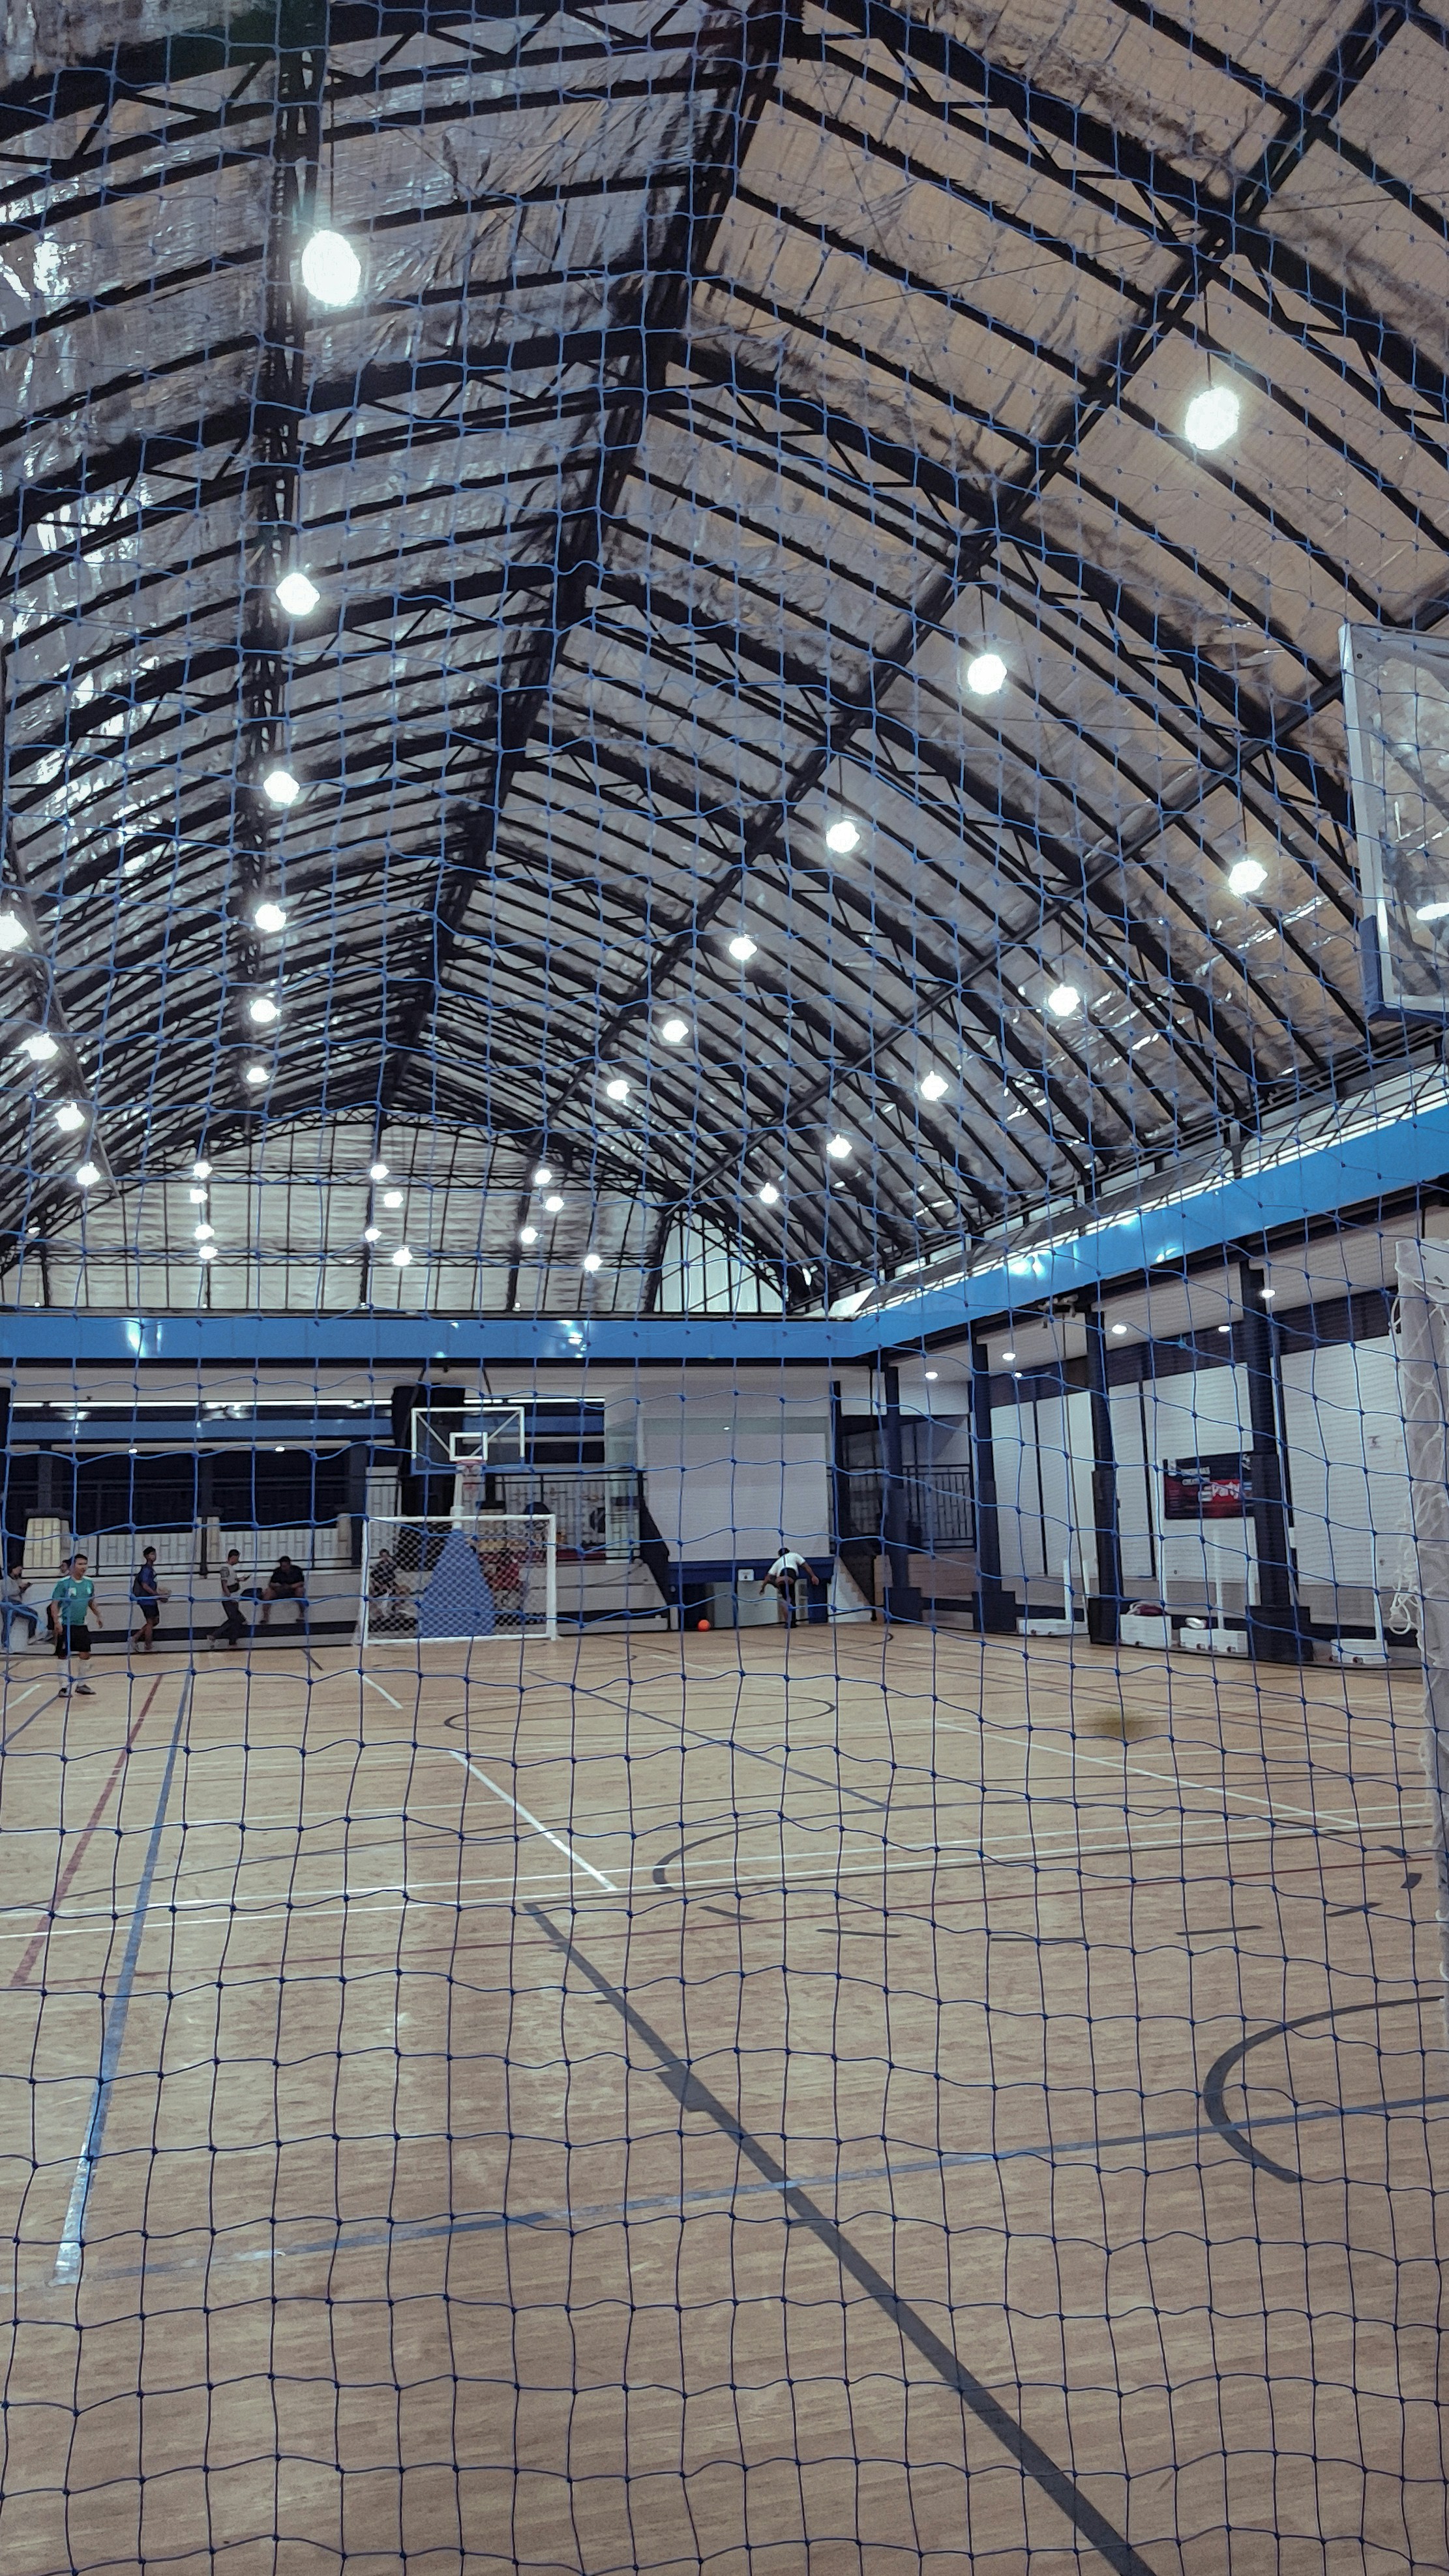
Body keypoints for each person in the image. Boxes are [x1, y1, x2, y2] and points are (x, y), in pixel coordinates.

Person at [48, 1552, 102, 1694]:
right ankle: (64, 1687)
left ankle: (81, 1684)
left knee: (85, 1653)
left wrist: (98, 1615)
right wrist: (56, 1622)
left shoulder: (89, 1583)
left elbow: (91, 1601)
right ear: (72, 1566)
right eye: (80, 1564)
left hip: (81, 1624)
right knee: (63, 1653)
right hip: (65, 1624)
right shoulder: (63, 1584)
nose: (83, 1567)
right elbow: (55, 1604)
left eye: (85, 1564)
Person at [762, 1548, 825, 1626]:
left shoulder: (778, 1561)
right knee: (791, 1598)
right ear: (788, 1552)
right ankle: (792, 1622)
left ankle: (788, 1623)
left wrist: (762, 1588)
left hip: (781, 1576)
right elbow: (805, 1566)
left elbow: (768, 1577)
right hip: (789, 1572)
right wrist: (813, 1576)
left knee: (787, 1601)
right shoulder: (794, 1555)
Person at [130, 1546, 169, 1653]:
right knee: (150, 1622)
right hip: (146, 1600)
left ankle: (135, 1637)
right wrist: (156, 1594)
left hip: (151, 1600)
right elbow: (145, 1585)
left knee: (155, 1621)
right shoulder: (146, 1570)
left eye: (155, 1554)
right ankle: (148, 1645)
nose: (154, 1556)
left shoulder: (151, 1570)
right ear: (147, 1556)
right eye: (152, 1554)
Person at [259, 1552, 306, 1629]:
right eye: (282, 1566)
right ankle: (265, 1617)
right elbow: (271, 1584)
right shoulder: (277, 1571)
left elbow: (301, 1583)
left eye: (285, 1566)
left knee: (300, 1591)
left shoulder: (297, 1570)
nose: (283, 1568)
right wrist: (278, 1586)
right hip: (279, 1591)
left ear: (289, 1565)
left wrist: (290, 1586)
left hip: (293, 1591)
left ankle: (302, 1614)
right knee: (267, 1593)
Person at [211, 1549, 246, 1652]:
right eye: (237, 1558)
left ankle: (232, 1642)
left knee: (236, 1620)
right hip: (229, 1599)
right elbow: (224, 1584)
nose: (238, 1561)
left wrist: (240, 1580)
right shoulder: (225, 1568)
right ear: (233, 1557)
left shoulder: (230, 1569)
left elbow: (231, 1580)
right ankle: (215, 1635)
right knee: (235, 1619)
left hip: (233, 1597)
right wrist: (229, 1597)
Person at [1, 1559, 38, 1651]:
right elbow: (8, 1592)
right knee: (8, 1623)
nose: (19, 1572)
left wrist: (24, 1588)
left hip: (15, 1603)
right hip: (9, 1603)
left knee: (33, 1614)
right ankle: (5, 1643)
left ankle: (31, 1637)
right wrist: (19, 1588)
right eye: (19, 1569)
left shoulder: (15, 1580)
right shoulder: (6, 1579)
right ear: (13, 1569)